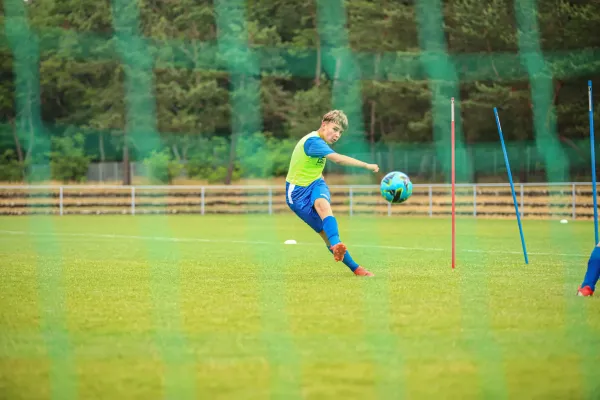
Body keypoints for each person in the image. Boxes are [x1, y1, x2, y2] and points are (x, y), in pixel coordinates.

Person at [285, 110, 379, 277]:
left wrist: (317, 179)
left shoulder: (320, 143)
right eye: (335, 129)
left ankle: (339, 247)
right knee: (324, 233)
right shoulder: (313, 141)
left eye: (340, 132)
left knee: (323, 204)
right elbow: (338, 159)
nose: (337, 135)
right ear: (324, 124)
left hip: (316, 183)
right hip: (297, 195)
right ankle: (354, 266)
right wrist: (366, 166)